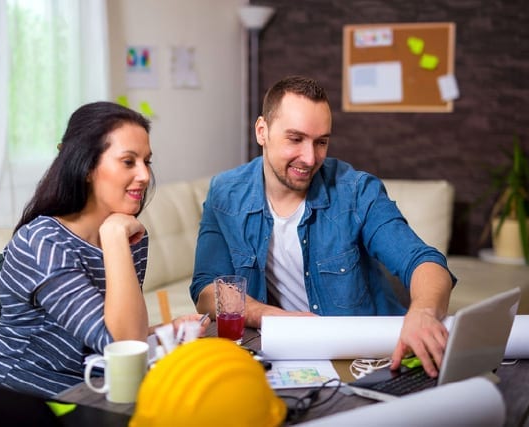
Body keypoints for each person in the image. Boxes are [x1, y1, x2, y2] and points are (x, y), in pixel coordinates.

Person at [189, 76, 455, 377]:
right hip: (284, 356)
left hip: (367, 359)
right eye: (295, 139)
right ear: (262, 131)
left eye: (321, 142)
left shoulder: (356, 191)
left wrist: (423, 312)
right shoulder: (224, 193)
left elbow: (423, 261)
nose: (310, 157)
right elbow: (207, 290)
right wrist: (271, 316)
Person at [0, 101, 208, 398]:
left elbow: (108, 333)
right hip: (21, 402)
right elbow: (122, 341)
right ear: (87, 167)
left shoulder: (130, 237)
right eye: (129, 161)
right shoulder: (43, 243)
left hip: (95, 392)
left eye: (146, 162)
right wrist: (113, 237)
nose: (145, 175)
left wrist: (166, 330)